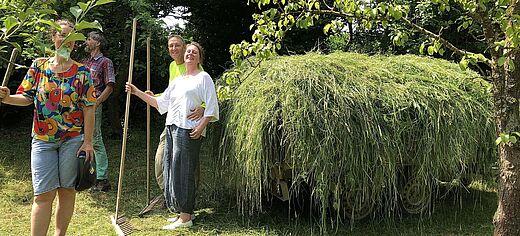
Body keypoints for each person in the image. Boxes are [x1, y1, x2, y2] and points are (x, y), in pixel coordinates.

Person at [0, 19, 95, 236]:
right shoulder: (39, 66)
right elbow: (26, 98)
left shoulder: (82, 72)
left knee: (67, 191)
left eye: (71, 37)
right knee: (42, 195)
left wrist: (88, 142)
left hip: (72, 140)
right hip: (42, 140)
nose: (66, 40)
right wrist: (5, 99)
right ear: (53, 37)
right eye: (62, 35)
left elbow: (89, 108)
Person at [125, 42, 219, 230]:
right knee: (171, 169)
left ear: (199, 58)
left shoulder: (204, 78)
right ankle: (183, 211)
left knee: (184, 171)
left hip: (189, 130)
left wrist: (201, 126)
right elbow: (161, 103)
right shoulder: (178, 80)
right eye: (188, 52)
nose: (190, 54)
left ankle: (186, 218)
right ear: (184, 56)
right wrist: (137, 92)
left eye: (195, 52)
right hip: (172, 128)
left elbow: (211, 106)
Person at [153, 35, 204, 191]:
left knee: (187, 160)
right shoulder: (172, 66)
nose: (174, 49)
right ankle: (167, 191)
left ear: (184, 47)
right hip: (173, 121)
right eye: (171, 46)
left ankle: (189, 195)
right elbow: (172, 94)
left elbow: (206, 92)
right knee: (162, 157)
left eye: (177, 46)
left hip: (190, 121)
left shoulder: (195, 67)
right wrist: (153, 96)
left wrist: (202, 107)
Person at [82, 31, 115, 192]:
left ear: (98, 43)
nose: (86, 42)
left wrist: (97, 102)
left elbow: (109, 86)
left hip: (93, 105)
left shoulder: (105, 62)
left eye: (89, 39)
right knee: (82, 139)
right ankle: (87, 176)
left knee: (95, 140)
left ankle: (102, 179)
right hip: (79, 106)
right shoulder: (84, 62)